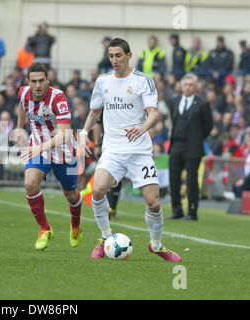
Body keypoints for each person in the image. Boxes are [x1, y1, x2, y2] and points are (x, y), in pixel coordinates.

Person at [80, 38, 181, 261]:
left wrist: (142, 127)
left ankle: (156, 245)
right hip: (113, 149)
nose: (114, 60)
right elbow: (94, 112)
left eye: (118, 55)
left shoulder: (143, 80)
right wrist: (83, 134)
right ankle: (106, 237)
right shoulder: (103, 81)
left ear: (129, 55)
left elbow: (153, 112)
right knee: (97, 190)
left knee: (153, 202)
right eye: (111, 56)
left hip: (139, 151)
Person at [15, 62, 82, 250]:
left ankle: (75, 224)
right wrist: (20, 127)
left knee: (70, 194)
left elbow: (64, 135)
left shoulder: (58, 98)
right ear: (28, 81)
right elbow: (22, 105)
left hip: (64, 152)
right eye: (33, 81)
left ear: (48, 79)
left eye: (41, 81)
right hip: (39, 148)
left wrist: (40, 148)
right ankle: (45, 229)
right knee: (29, 183)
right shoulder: (22, 93)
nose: (37, 85)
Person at [167, 73, 213, 220]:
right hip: (176, 146)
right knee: (173, 179)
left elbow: (208, 126)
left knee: (192, 181)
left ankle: (192, 212)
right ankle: (176, 210)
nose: (187, 87)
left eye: (191, 85)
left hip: (193, 148)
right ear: (181, 86)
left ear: (196, 86)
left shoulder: (203, 104)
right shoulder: (174, 101)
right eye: (185, 84)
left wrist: (197, 138)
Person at [232, 130, 250, 197]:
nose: (247, 143)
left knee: (238, 188)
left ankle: (243, 206)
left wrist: (244, 181)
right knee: (235, 185)